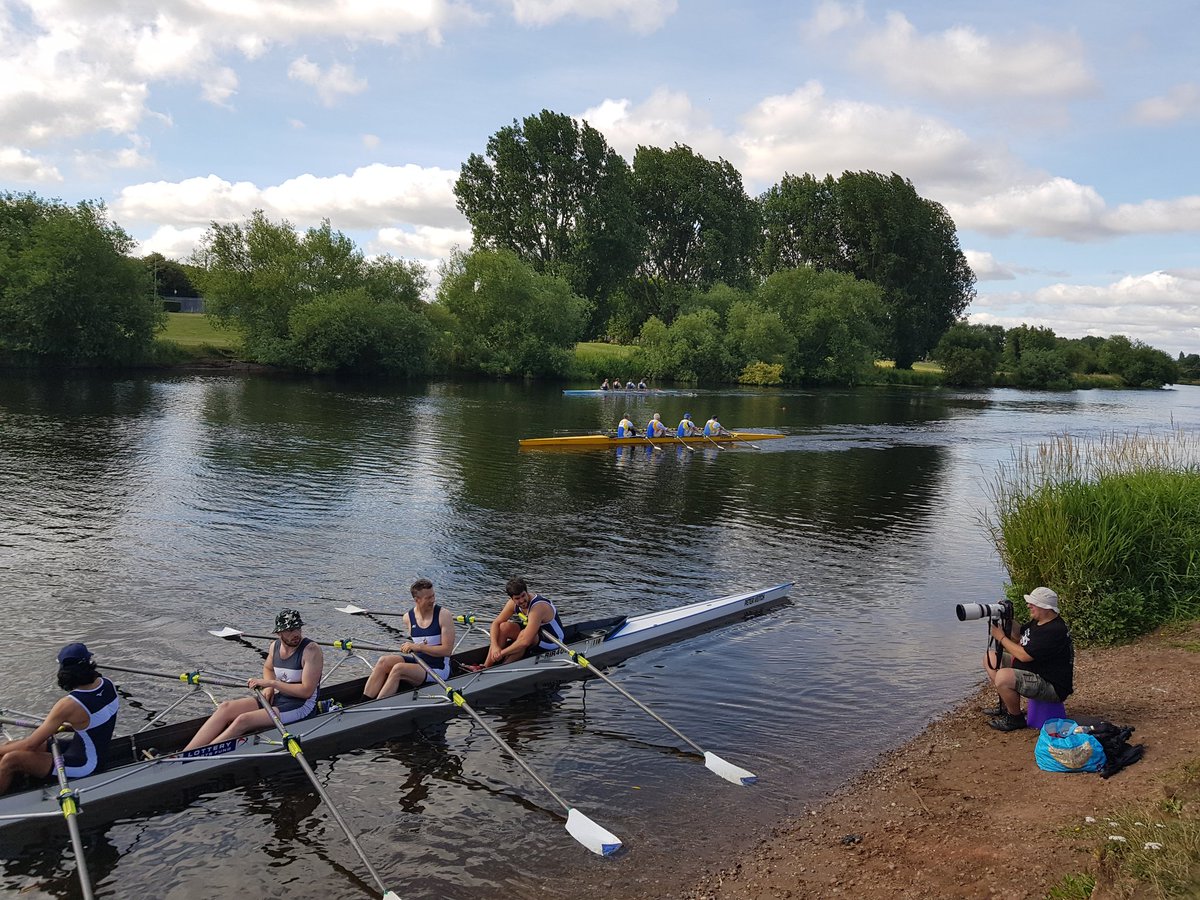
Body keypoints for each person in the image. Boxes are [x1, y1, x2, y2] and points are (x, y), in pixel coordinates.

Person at [182, 609, 323, 751]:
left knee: (243, 720)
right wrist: (268, 689)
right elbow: (268, 669)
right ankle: (186, 752)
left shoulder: (311, 651)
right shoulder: (275, 646)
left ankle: (197, 757)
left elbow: (306, 691)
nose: (296, 634)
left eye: (298, 628)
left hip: (302, 706)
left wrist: (271, 684)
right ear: (279, 633)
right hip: (281, 698)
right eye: (290, 630)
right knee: (225, 708)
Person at [0, 643, 119, 795]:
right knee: (11, 745)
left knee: (12, 758)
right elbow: (95, 722)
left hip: (86, 765)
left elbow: (30, 745)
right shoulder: (108, 684)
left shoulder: (69, 705)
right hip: (86, 748)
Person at [983, 587, 1074, 731]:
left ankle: (1015, 718)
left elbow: (1024, 656)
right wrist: (1008, 617)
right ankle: (1007, 703)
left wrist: (1000, 637)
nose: (1028, 606)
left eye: (1033, 603)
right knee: (991, 657)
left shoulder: (1054, 630)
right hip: (1035, 670)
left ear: (1046, 607)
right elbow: (1019, 636)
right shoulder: (1039, 621)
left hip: (1051, 685)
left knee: (1003, 676)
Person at [363, 579, 455, 700]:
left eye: (433, 596)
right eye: (428, 598)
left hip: (438, 669)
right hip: (419, 663)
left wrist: (419, 647)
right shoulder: (408, 618)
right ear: (417, 600)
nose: (433, 600)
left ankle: (375, 707)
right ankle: (363, 701)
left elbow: (447, 651)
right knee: (383, 661)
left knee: (398, 668)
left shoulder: (444, 615)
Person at [482, 577, 566, 668]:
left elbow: (525, 641)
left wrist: (501, 653)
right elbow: (496, 623)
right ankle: (484, 667)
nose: (521, 600)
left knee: (523, 636)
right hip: (534, 634)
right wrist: (495, 647)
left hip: (553, 641)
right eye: (517, 598)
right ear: (512, 599)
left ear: (527, 592)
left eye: (523, 596)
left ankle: (503, 667)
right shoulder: (512, 604)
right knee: (503, 627)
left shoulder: (537, 608)